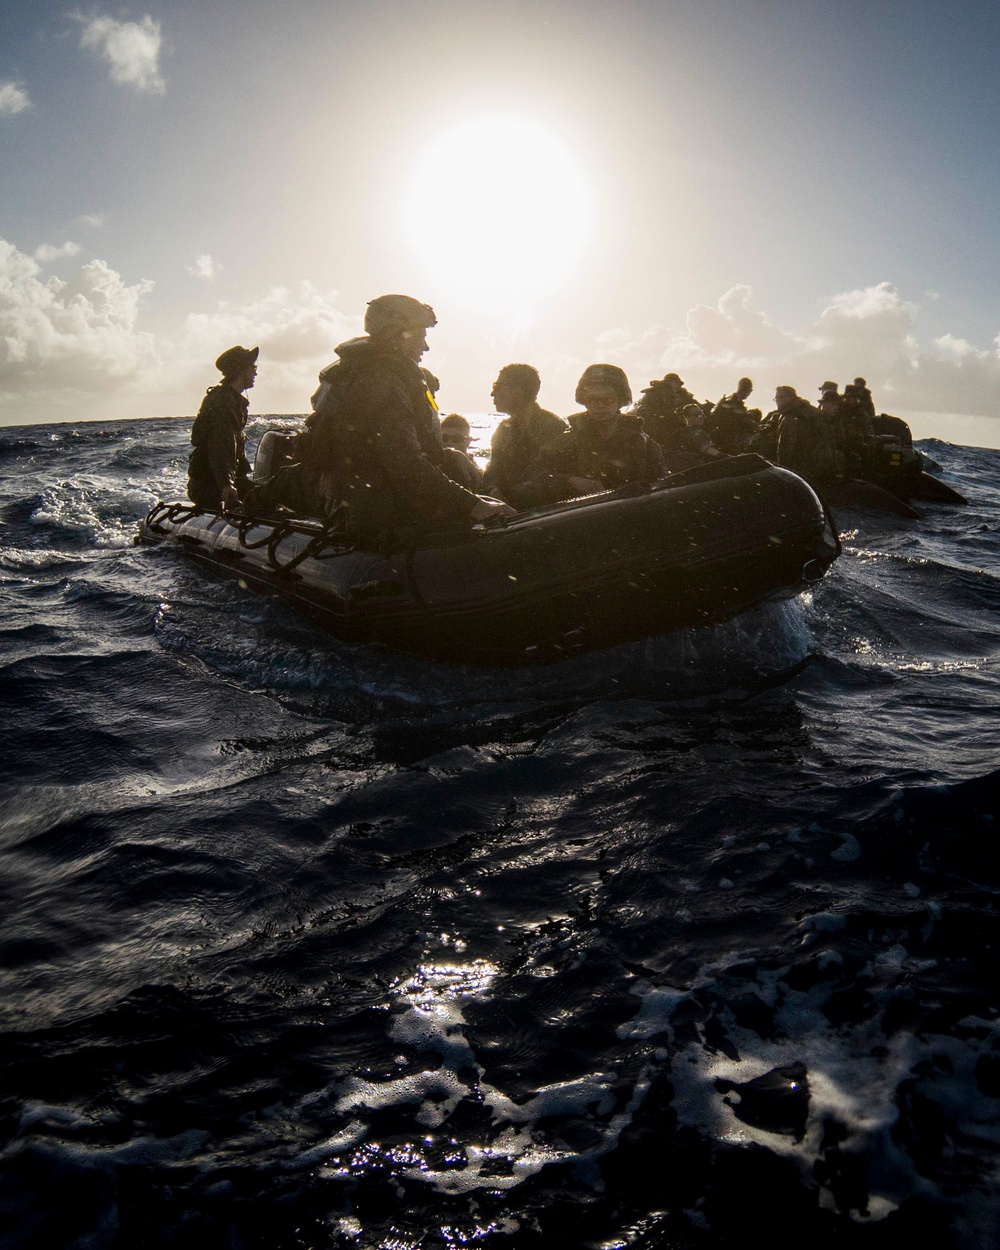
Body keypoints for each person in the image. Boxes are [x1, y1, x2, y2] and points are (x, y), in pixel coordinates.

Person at [293, 294, 513, 540]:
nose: (425, 347)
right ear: (396, 335)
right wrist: (475, 506)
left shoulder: (356, 373)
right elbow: (406, 465)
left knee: (454, 461)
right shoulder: (382, 383)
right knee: (464, 481)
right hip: (376, 513)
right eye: (421, 336)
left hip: (353, 503)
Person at [514, 364, 664, 507]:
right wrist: (571, 481)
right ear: (585, 402)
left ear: (620, 401)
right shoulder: (567, 441)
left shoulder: (644, 444)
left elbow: (663, 485)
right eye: (593, 399)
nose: (600, 405)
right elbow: (532, 473)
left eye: (608, 399)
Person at [187, 345, 258, 511]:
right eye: (252, 367)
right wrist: (226, 485)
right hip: (210, 486)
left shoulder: (233, 400)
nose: (255, 372)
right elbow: (219, 446)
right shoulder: (223, 403)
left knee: (269, 494)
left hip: (223, 481)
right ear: (241, 371)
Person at [481, 364, 566, 502]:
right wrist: (493, 490)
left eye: (497, 386)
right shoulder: (503, 430)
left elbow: (547, 479)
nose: (492, 393)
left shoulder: (553, 428)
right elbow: (492, 473)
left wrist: (506, 498)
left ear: (517, 391)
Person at [768, 385, 839, 490]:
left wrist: (783, 474)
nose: (777, 401)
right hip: (822, 468)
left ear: (790, 398)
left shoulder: (789, 418)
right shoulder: (812, 412)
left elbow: (785, 449)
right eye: (776, 399)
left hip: (802, 471)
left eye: (779, 398)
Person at [634, 372, 701, 452]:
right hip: (655, 425)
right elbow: (668, 411)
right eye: (677, 383)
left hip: (652, 425)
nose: (678, 386)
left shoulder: (660, 391)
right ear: (671, 382)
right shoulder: (664, 391)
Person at [708, 377, 760, 454]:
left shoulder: (729, 402)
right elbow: (745, 421)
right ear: (748, 390)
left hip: (727, 439)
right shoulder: (732, 404)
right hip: (728, 440)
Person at [439, 413, 483, 491]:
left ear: (468, 441)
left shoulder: (476, 471)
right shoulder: (435, 466)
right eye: (445, 438)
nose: (450, 442)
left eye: (457, 438)